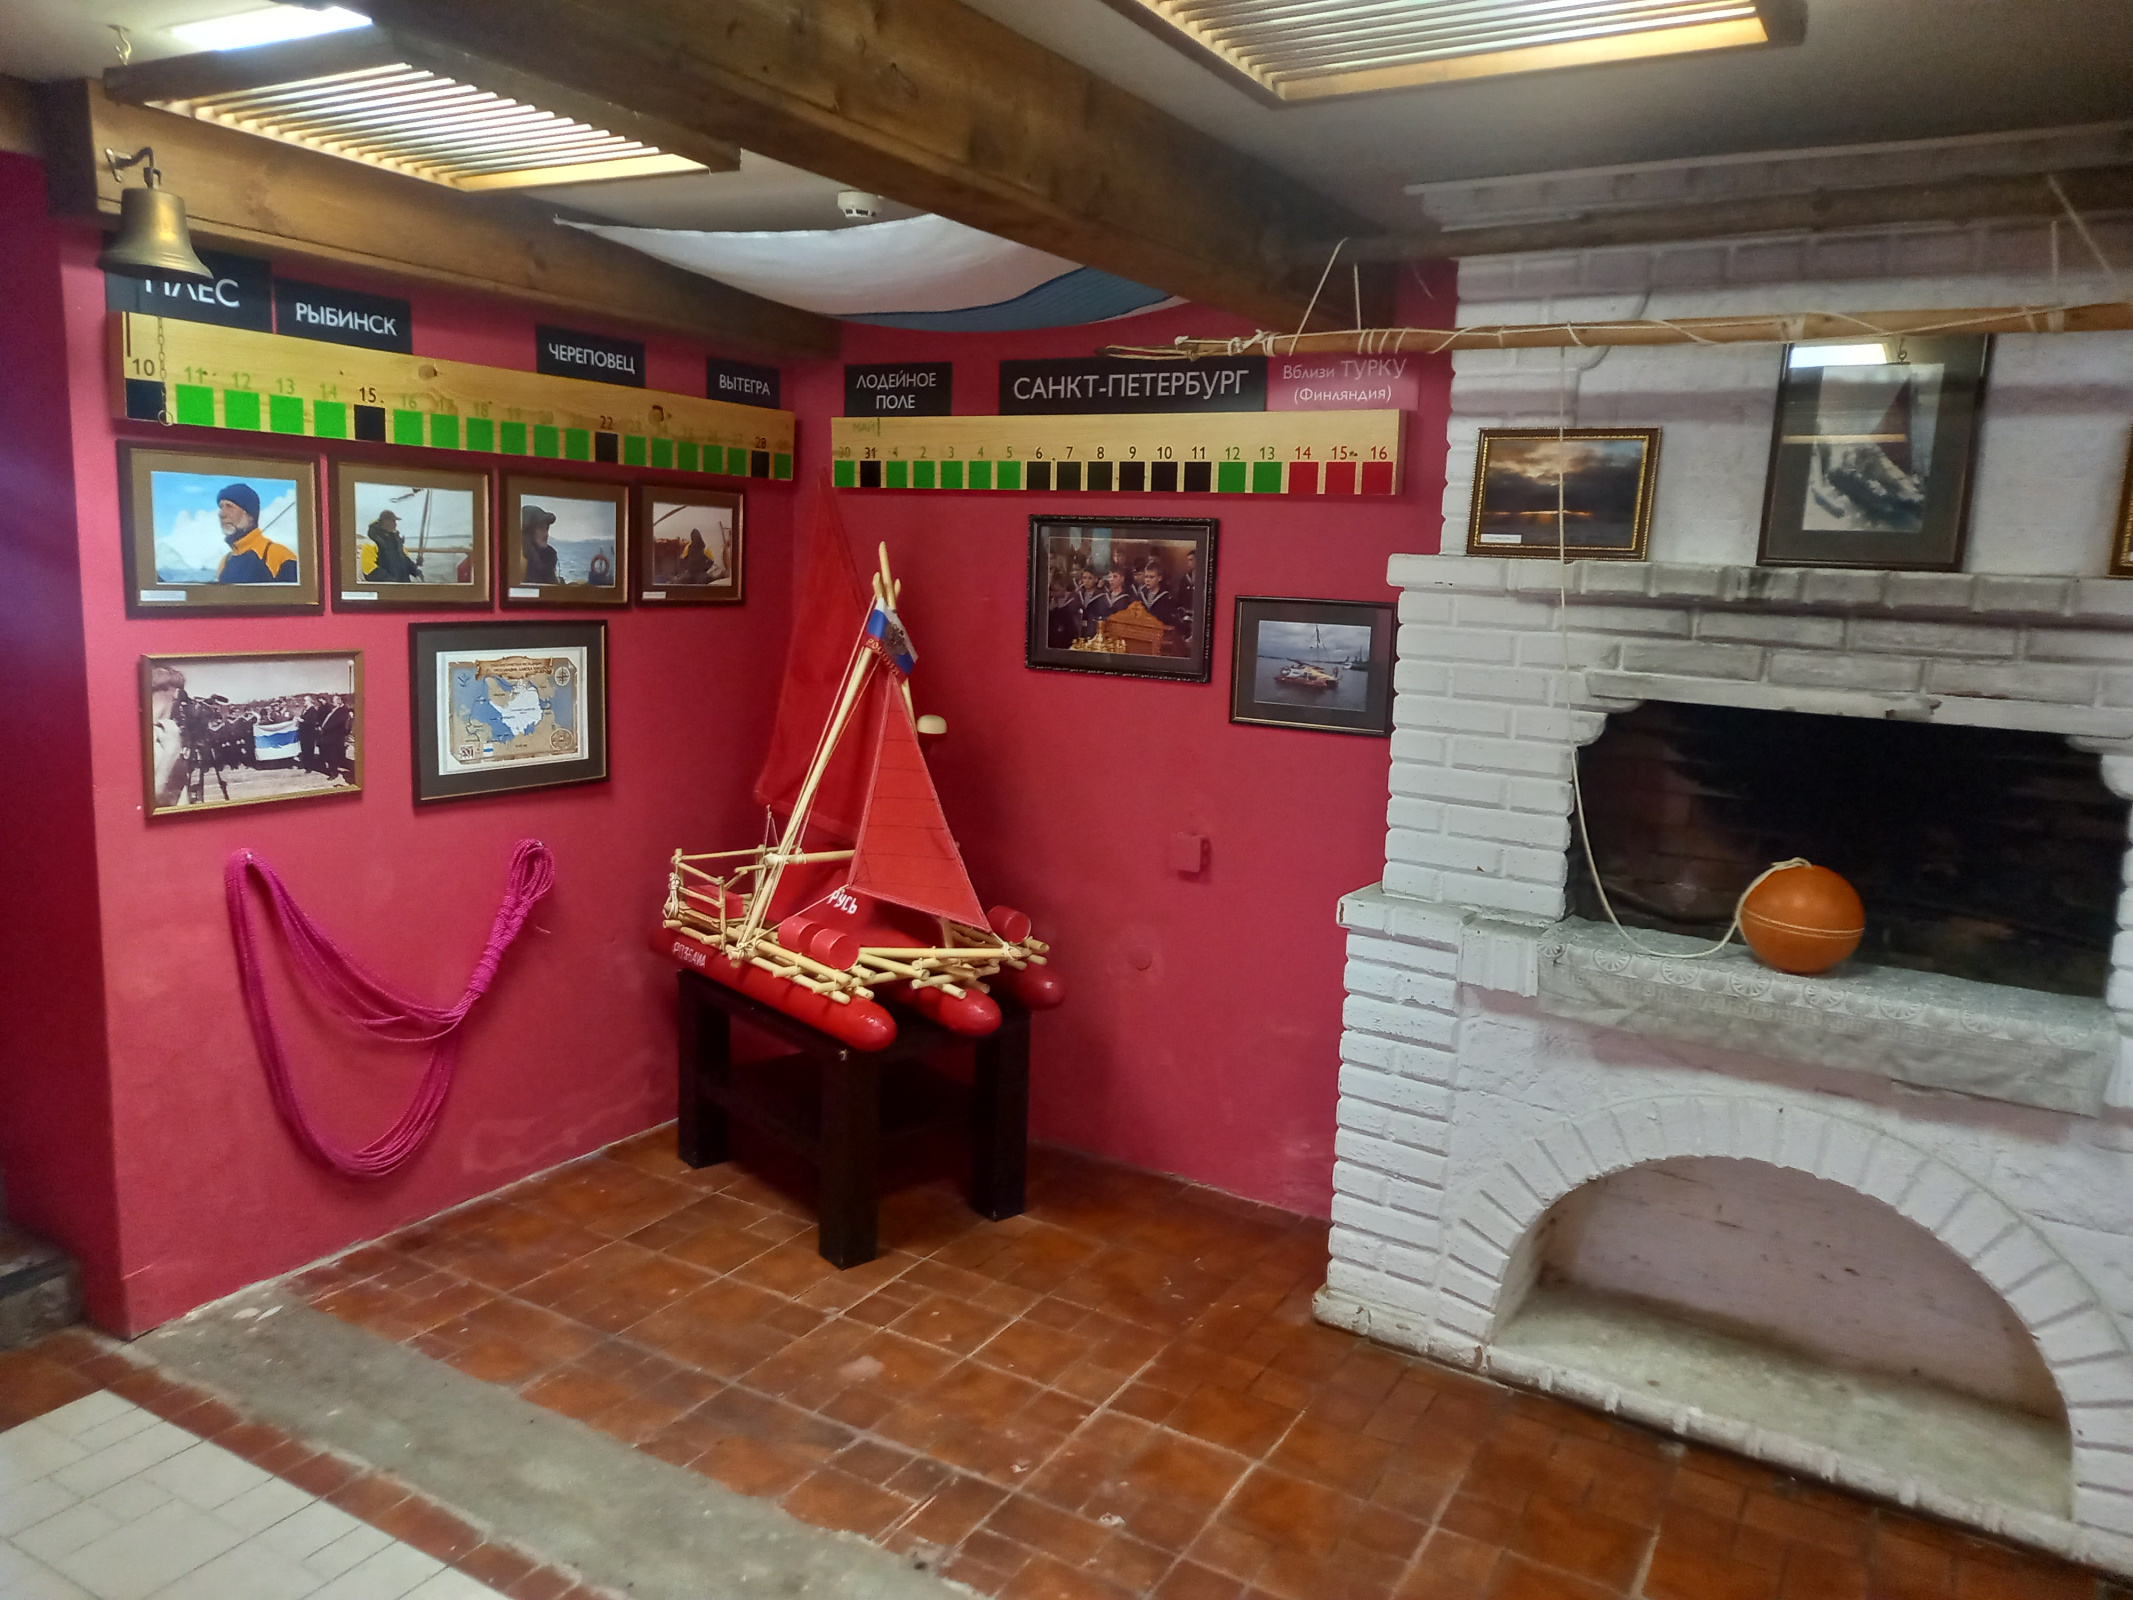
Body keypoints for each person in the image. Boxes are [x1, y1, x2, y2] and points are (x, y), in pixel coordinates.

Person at [213, 483, 298, 583]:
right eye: (221, 507)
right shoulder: (225, 562)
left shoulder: (280, 557)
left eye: (229, 506)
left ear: (250, 516)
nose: (221, 514)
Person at [366, 509, 422, 583]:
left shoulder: (396, 540)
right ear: (384, 522)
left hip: (403, 584)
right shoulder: (371, 543)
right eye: (392, 521)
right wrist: (389, 580)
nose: (395, 524)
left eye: (394, 521)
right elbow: (368, 567)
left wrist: (415, 570)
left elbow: (404, 560)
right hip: (386, 587)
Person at [522, 505, 560, 585]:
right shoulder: (520, 561)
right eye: (541, 528)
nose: (546, 535)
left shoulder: (549, 556)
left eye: (546, 528)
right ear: (529, 532)